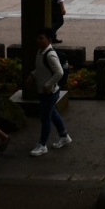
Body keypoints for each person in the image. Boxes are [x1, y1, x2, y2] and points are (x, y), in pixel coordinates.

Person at [29, 28, 71, 156]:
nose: (38, 40)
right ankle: (64, 136)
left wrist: (48, 84)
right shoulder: (40, 52)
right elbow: (41, 68)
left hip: (49, 93)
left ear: (49, 40)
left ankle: (42, 145)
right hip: (45, 92)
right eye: (38, 38)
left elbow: (59, 72)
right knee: (52, 113)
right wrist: (32, 75)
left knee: (45, 118)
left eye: (42, 38)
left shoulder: (50, 55)